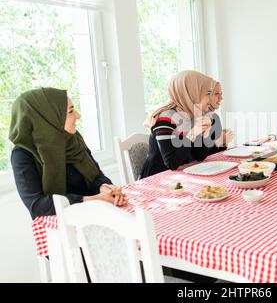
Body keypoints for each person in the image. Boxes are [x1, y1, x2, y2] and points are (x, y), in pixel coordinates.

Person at [9, 88, 127, 220]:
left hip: (96, 215)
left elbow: (96, 176)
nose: (77, 115)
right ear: (49, 119)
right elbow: (37, 205)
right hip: (61, 228)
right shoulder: (22, 155)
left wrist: (104, 187)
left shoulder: (73, 139)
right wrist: (93, 199)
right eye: (70, 111)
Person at [140, 70, 226, 178]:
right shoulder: (165, 118)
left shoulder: (192, 114)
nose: (210, 98)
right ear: (191, 93)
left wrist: (205, 133)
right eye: (207, 94)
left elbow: (199, 156)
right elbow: (172, 163)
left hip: (183, 173)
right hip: (158, 177)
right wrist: (193, 134)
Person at [207, 81, 234, 155]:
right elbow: (201, 155)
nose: (221, 98)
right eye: (216, 94)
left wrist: (224, 141)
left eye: (221, 94)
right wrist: (221, 140)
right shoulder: (196, 118)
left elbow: (218, 152)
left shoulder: (215, 117)